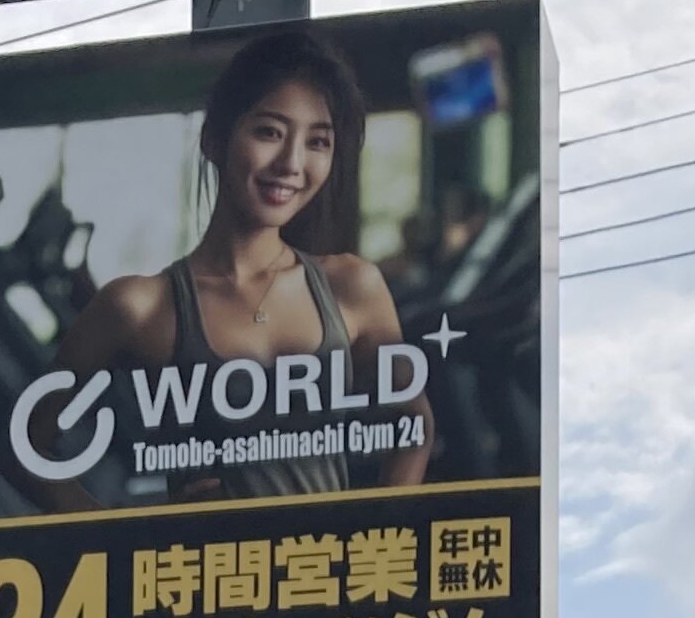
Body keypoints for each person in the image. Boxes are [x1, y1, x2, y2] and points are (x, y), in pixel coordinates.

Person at [43, 25, 428, 501]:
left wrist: (374, 535)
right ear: (214, 140)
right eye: (269, 132)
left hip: (323, 571)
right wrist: (123, 543)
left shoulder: (352, 286)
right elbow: (25, 448)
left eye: (318, 142)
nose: (291, 162)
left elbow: (413, 426)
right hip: (207, 571)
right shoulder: (139, 306)